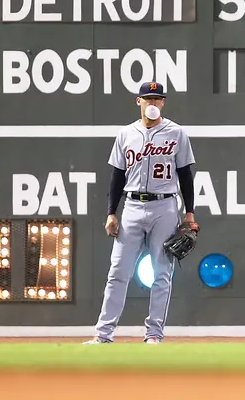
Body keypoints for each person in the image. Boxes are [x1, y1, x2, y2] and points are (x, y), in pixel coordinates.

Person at [83, 81, 196, 345]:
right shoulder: (126, 134)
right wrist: (112, 212)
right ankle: (103, 335)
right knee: (117, 272)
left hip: (165, 206)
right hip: (132, 206)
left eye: (158, 99)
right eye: (149, 98)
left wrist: (189, 213)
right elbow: (117, 176)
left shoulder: (176, 133)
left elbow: (185, 175)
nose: (153, 103)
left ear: (163, 102)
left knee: (162, 274)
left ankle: (153, 335)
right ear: (139, 101)